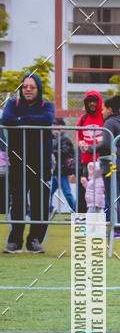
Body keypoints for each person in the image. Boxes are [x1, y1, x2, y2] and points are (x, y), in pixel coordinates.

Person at [2, 73, 54, 254]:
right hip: (18, 163)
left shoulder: (46, 106)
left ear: (38, 89)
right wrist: (24, 121)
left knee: (40, 203)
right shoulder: (12, 104)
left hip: (41, 164)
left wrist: (21, 121)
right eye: (25, 87)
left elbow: (47, 120)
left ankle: (35, 240)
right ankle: (14, 241)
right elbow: (6, 120)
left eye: (32, 87)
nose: (28, 90)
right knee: (17, 202)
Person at [99, 94, 120, 239]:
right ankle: (117, 228)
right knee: (114, 196)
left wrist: (91, 148)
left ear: (110, 109)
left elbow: (105, 145)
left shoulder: (110, 123)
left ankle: (115, 228)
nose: (102, 111)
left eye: (103, 108)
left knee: (111, 197)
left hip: (112, 164)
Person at [76, 89, 104, 212]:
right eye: (89, 101)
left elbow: (109, 135)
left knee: (100, 195)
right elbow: (78, 134)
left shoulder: (104, 116)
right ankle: (81, 228)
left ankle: (100, 226)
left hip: (101, 163)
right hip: (86, 163)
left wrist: (100, 140)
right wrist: (79, 142)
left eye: (94, 101)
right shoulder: (83, 118)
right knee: (83, 192)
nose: (92, 104)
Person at [50, 118, 76, 214]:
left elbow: (65, 151)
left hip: (62, 169)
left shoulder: (65, 138)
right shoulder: (56, 138)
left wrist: (52, 152)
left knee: (67, 192)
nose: (55, 128)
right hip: (57, 170)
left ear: (62, 127)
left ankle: (75, 210)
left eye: (57, 126)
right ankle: (49, 209)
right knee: (49, 192)